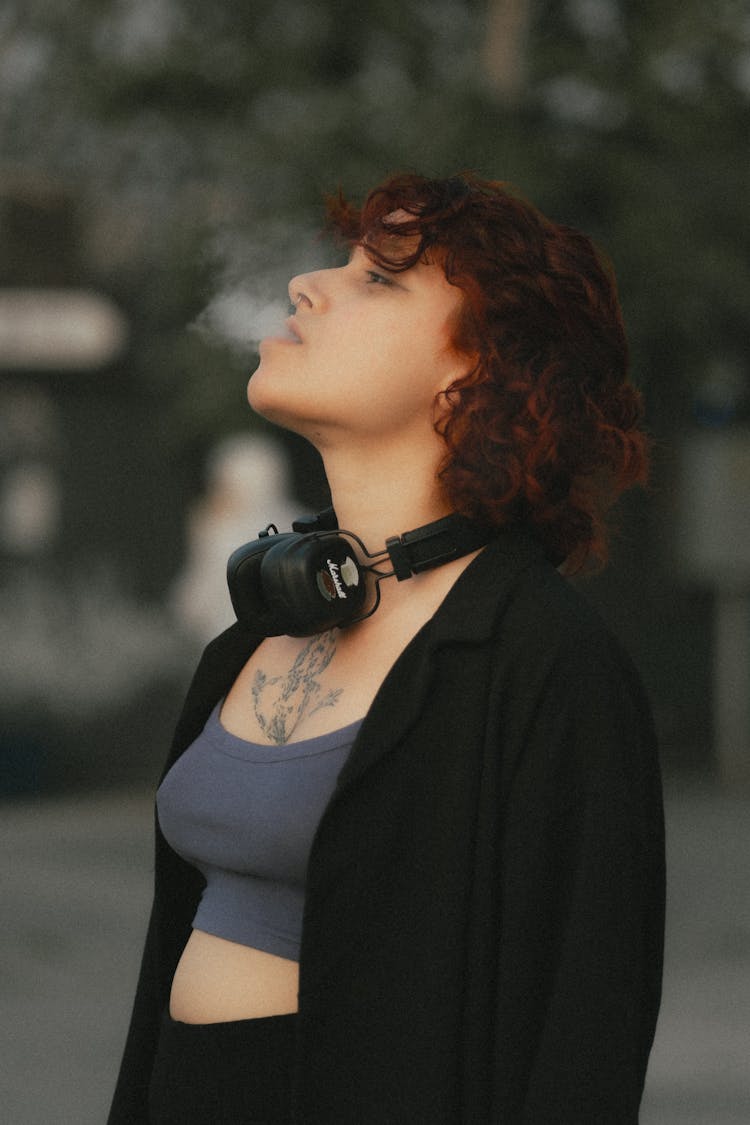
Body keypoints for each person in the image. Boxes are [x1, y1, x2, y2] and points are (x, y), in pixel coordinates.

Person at [108, 172, 665, 1124]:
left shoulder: (544, 661)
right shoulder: (255, 634)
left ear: (474, 373)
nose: (306, 287)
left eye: (379, 281)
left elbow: (583, 1040)